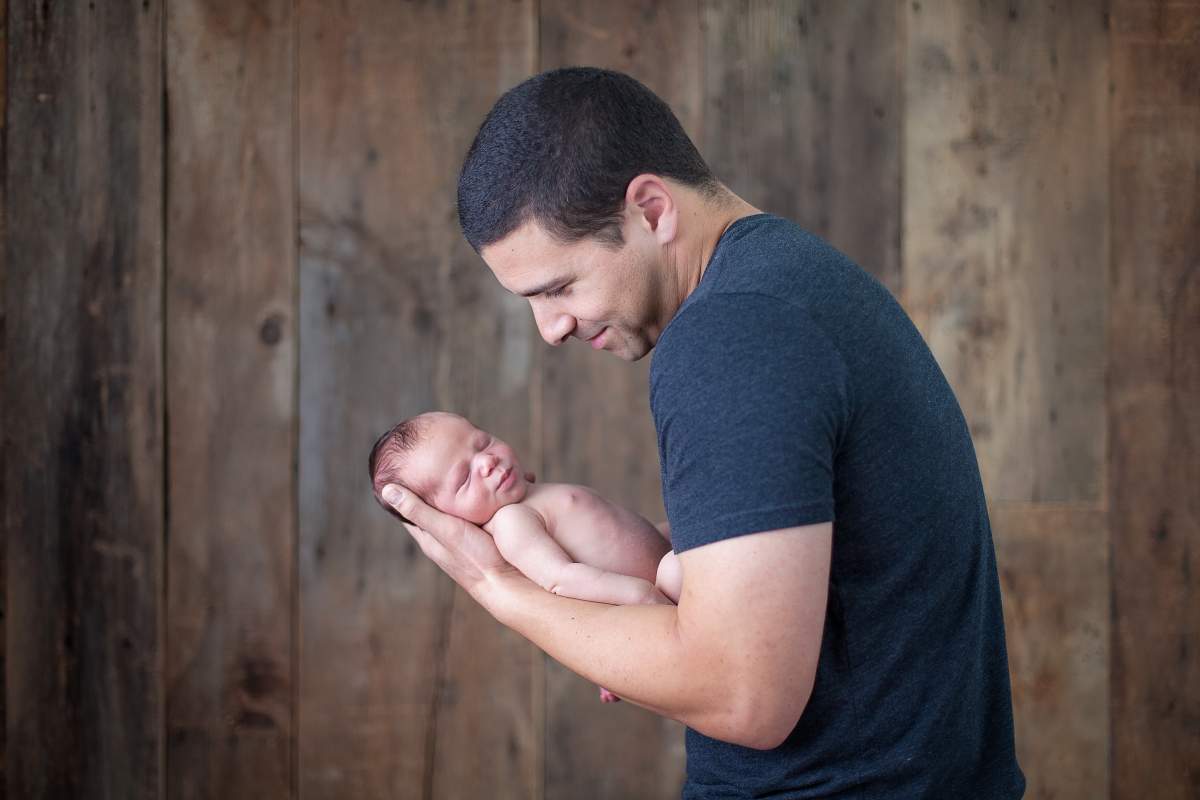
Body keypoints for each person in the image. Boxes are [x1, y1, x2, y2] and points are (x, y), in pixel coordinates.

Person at [380, 67, 1026, 798]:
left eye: (558, 288)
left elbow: (743, 696)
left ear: (651, 210)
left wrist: (496, 585)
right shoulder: (792, 283)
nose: (551, 329)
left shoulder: (729, 336)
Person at [368, 410, 681, 703]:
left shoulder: (528, 495)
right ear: (447, 519)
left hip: (659, 558)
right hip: (652, 595)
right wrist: (639, 595)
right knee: (680, 563)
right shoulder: (511, 524)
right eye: (464, 478)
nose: (486, 462)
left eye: (482, 442)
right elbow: (560, 580)